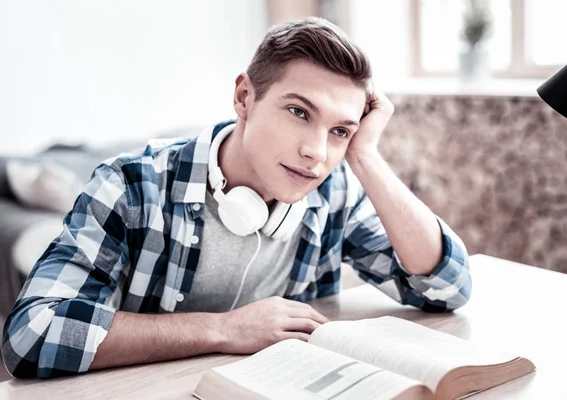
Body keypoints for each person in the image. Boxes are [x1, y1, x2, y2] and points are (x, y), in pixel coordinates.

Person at [2, 17, 471, 379]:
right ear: (244, 97)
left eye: (340, 130)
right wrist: (224, 329)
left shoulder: (334, 189)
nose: (316, 151)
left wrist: (366, 157)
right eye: (297, 111)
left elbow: (446, 288)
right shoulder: (129, 187)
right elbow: (31, 335)